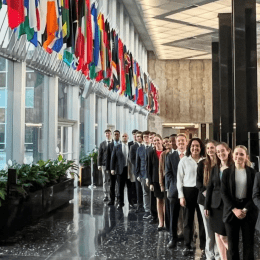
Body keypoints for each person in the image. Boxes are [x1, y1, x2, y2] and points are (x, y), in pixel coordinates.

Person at [221, 145, 257, 260]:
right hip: (231, 210)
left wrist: (245, 210)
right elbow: (224, 193)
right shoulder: (226, 172)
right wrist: (234, 209)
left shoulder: (253, 173)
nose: (238, 156)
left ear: (246, 157)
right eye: (236, 153)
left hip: (248, 211)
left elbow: (254, 194)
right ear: (232, 155)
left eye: (241, 154)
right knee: (232, 246)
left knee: (248, 244)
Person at [177, 137, 206, 256]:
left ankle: (204, 247)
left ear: (201, 148)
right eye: (193, 146)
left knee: (202, 220)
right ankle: (187, 245)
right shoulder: (184, 160)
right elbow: (179, 179)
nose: (195, 148)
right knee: (187, 221)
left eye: (197, 146)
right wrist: (181, 196)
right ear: (189, 147)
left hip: (202, 191)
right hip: (188, 192)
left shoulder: (205, 160)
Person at [204, 142, 232, 260]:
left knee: (224, 236)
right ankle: (223, 258)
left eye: (222, 151)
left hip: (228, 206)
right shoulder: (215, 168)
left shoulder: (233, 167)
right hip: (215, 205)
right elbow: (209, 187)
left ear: (228, 151)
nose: (220, 153)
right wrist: (206, 206)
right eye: (218, 151)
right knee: (217, 233)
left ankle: (233, 255)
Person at [196, 140, 220, 260]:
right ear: (206, 150)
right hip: (204, 200)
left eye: (213, 148)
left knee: (217, 229)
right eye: (208, 148)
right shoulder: (201, 164)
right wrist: (206, 194)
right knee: (208, 229)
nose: (210, 150)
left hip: (217, 201)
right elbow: (198, 182)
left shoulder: (220, 164)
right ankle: (210, 255)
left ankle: (218, 254)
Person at [165, 133, 187, 248]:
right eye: (179, 142)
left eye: (183, 141)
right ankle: (172, 238)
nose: (181, 143)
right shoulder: (170, 156)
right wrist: (176, 185)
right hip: (174, 191)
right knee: (173, 216)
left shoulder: (190, 156)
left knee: (188, 217)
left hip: (188, 190)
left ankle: (188, 238)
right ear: (176, 143)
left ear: (186, 142)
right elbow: (168, 174)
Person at [147, 134, 166, 231]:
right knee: (159, 200)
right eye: (154, 141)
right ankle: (161, 222)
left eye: (158, 140)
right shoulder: (151, 153)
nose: (156, 142)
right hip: (155, 180)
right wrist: (150, 182)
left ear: (162, 141)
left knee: (166, 201)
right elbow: (149, 168)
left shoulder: (167, 151)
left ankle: (166, 221)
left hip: (166, 179)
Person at [111, 133, 134, 210]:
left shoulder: (131, 146)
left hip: (129, 170)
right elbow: (113, 158)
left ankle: (131, 203)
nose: (124, 137)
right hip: (120, 170)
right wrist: (112, 169)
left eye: (125, 136)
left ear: (128, 137)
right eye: (123, 136)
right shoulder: (117, 147)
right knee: (120, 187)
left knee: (130, 187)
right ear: (121, 138)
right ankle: (120, 203)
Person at [158, 135, 173, 233]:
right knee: (166, 205)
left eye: (169, 142)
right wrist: (161, 184)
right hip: (166, 183)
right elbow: (160, 170)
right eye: (165, 142)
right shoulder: (163, 154)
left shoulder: (175, 153)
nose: (167, 143)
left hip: (174, 183)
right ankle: (167, 226)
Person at [136, 130, 151, 219]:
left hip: (151, 175)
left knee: (152, 193)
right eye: (144, 137)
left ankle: (153, 210)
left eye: (147, 137)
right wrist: (137, 174)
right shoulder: (140, 149)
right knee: (145, 193)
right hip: (142, 174)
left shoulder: (153, 148)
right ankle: (147, 210)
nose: (146, 138)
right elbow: (137, 162)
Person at [130, 131, 144, 213]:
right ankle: (139, 206)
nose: (138, 137)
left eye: (140, 136)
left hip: (144, 170)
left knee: (145, 190)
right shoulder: (133, 147)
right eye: (137, 136)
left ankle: (146, 206)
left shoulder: (145, 146)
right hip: (137, 170)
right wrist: (138, 165)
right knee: (138, 189)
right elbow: (132, 159)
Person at [106, 130, 121, 206]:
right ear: (113, 135)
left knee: (119, 185)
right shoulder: (110, 145)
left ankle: (119, 199)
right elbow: (108, 157)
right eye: (115, 134)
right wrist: (109, 169)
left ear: (119, 135)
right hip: (112, 168)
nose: (116, 136)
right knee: (112, 185)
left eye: (117, 134)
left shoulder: (122, 144)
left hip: (120, 169)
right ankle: (112, 200)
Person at [97, 129, 113, 202]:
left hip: (112, 165)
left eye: (108, 133)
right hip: (104, 164)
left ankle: (112, 194)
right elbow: (99, 155)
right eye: (106, 133)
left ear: (111, 134)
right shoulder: (102, 144)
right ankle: (106, 195)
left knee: (112, 180)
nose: (107, 134)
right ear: (105, 134)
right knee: (105, 180)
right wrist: (99, 164)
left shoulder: (114, 143)